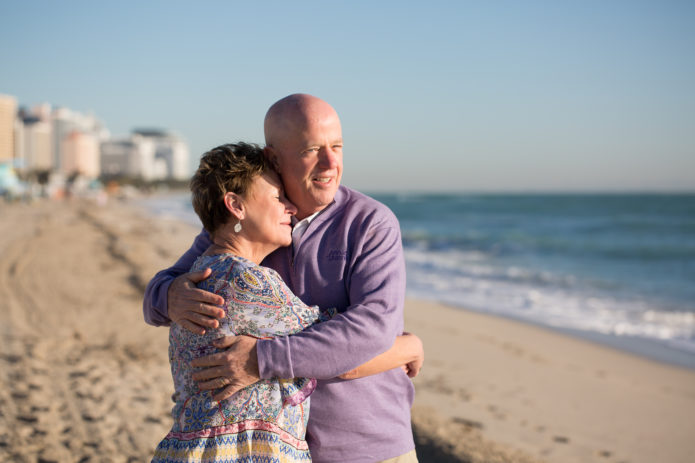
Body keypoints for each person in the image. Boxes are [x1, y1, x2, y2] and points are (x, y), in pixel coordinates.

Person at [144, 94, 422, 462]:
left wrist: (262, 358)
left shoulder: (370, 223)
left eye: (337, 146)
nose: (331, 162)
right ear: (273, 157)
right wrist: (171, 296)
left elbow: (369, 331)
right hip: (272, 449)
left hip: (367, 446)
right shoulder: (254, 225)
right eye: (312, 149)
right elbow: (159, 296)